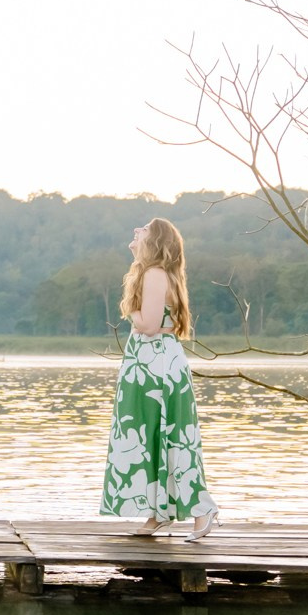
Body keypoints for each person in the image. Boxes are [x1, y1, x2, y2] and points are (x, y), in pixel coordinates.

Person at [101, 218, 217, 540]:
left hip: (155, 363)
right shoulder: (157, 274)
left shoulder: (153, 274)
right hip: (154, 360)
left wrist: (129, 310)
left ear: (154, 242)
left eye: (141, 232)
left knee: (168, 434)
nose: (135, 234)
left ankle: (202, 509)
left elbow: (149, 325)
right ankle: (157, 512)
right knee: (155, 435)